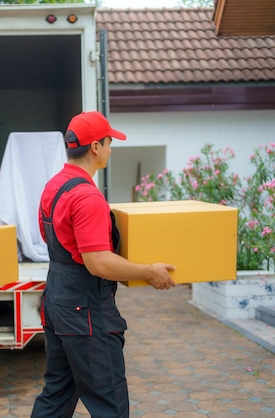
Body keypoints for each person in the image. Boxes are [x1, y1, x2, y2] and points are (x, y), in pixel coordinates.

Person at [30, 111, 176, 418]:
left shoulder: (54, 186)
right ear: (95, 147)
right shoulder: (87, 197)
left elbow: (53, 239)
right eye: (109, 142)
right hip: (86, 311)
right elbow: (97, 262)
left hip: (57, 300)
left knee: (56, 395)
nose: (111, 149)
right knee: (109, 401)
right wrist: (148, 271)